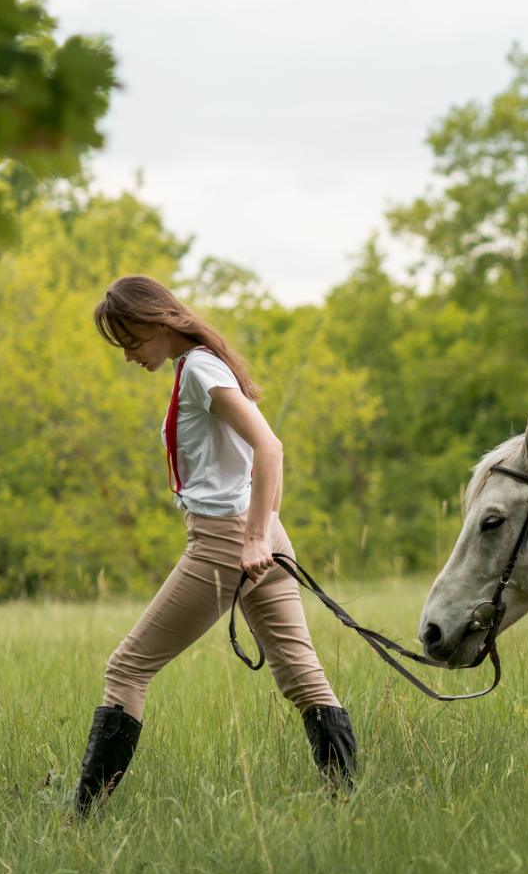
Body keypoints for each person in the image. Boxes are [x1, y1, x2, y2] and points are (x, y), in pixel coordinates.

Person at [76, 275, 356, 815]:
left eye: (131, 341)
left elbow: (269, 448)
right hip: (256, 533)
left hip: (228, 540)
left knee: (126, 669)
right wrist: (263, 529)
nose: (129, 356)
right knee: (302, 675)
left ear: (158, 322)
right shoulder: (199, 366)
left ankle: (80, 817)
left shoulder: (201, 369)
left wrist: (252, 536)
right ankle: (345, 807)